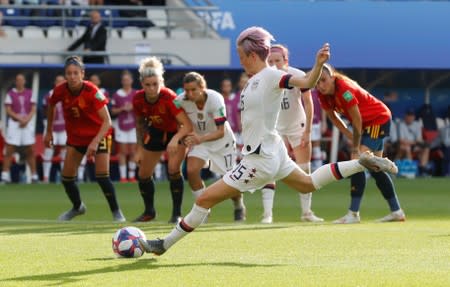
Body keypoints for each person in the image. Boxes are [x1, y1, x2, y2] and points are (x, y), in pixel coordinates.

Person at [137, 26, 398, 256]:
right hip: (272, 151)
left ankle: (164, 245)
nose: (240, 62)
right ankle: (362, 163)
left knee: (204, 199)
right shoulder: (254, 81)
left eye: (241, 57)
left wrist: (318, 65)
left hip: (260, 159)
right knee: (307, 185)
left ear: (251, 55)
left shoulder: (272, 75)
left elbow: (306, 81)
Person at [315, 63, 406, 224]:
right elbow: (334, 118)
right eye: (317, 82)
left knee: (357, 162)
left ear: (332, 77)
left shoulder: (344, 89)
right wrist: (350, 136)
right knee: (375, 169)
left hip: (378, 119)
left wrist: (355, 146)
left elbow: (356, 119)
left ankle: (353, 214)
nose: (320, 85)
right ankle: (396, 211)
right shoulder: (323, 94)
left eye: (323, 80)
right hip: (366, 125)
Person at [45, 56, 126, 222]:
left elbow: (107, 122)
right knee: (66, 178)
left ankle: (117, 212)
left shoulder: (92, 91)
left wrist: (94, 143)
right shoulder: (60, 90)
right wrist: (48, 131)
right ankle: (77, 207)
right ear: (65, 75)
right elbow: (51, 105)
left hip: (99, 134)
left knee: (102, 175)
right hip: (76, 138)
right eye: (69, 73)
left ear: (82, 74)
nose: (72, 76)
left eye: (76, 73)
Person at [259, 44, 323, 224]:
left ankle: (307, 212)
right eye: (270, 61)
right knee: (269, 168)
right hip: (275, 128)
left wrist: (308, 131)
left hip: (297, 125)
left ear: (286, 61)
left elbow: (308, 103)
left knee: (304, 169)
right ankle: (267, 214)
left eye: (277, 60)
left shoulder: (297, 75)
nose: (273, 64)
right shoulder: (264, 78)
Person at [178, 72, 246, 222]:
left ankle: (238, 205)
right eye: (186, 90)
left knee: (230, 180)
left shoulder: (216, 99)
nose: (189, 94)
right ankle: (203, 211)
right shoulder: (180, 100)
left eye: (193, 90)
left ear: (202, 87)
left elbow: (220, 131)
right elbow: (175, 114)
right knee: (191, 171)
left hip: (222, 142)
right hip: (200, 141)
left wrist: (199, 138)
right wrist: (182, 135)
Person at [132, 56, 193, 224]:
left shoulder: (169, 97)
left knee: (173, 169)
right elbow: (140, 124)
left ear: (161, 82)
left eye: (155, 84)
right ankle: (149, 212)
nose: (152, 88)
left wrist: (175, 139)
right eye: (148, 85)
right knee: (143, 174)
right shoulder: (137, 98)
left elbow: (187, 125)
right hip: (156, 133)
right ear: (142, 84)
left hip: (177, 132)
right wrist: (139, 148)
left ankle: (176, 215)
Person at [2, 73, 39, 184]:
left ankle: (34, 176)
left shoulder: (29, 93)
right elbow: (8, 109)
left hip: (27, 124)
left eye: (22, 80)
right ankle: (5, 175)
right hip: (15, 125)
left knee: (30, 150)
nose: (20, 82)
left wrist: (26, 119)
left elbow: (33, 109)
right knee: (10, 149)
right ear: (15, 82)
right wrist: (19, 118)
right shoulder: (10, 93)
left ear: (24, 81)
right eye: (18, 80)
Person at [111, 70, 138, 183]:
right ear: (122, 81)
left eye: (128, 79)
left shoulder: (136, 94)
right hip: (121, 126)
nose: (126, 82)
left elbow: (141, 109)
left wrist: (133, 107)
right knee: (122, 152)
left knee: (133, 151)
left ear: (131, 81)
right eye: (124, 80)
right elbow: (112, 111)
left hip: (133, 126)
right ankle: (123, 177)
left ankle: (131, 176)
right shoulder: (117, 94)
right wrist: (122, 108)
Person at [42, 74, 66, 183]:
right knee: (49, 150)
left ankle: (65, 176)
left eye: (62, 81)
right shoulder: (49, 95)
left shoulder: (69, 93)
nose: (60, 83)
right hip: (52, 127)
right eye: (58, 81)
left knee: (65, 151)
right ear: (55, 83)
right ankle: (46, 177)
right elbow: (45, 112)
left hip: (65, 127)